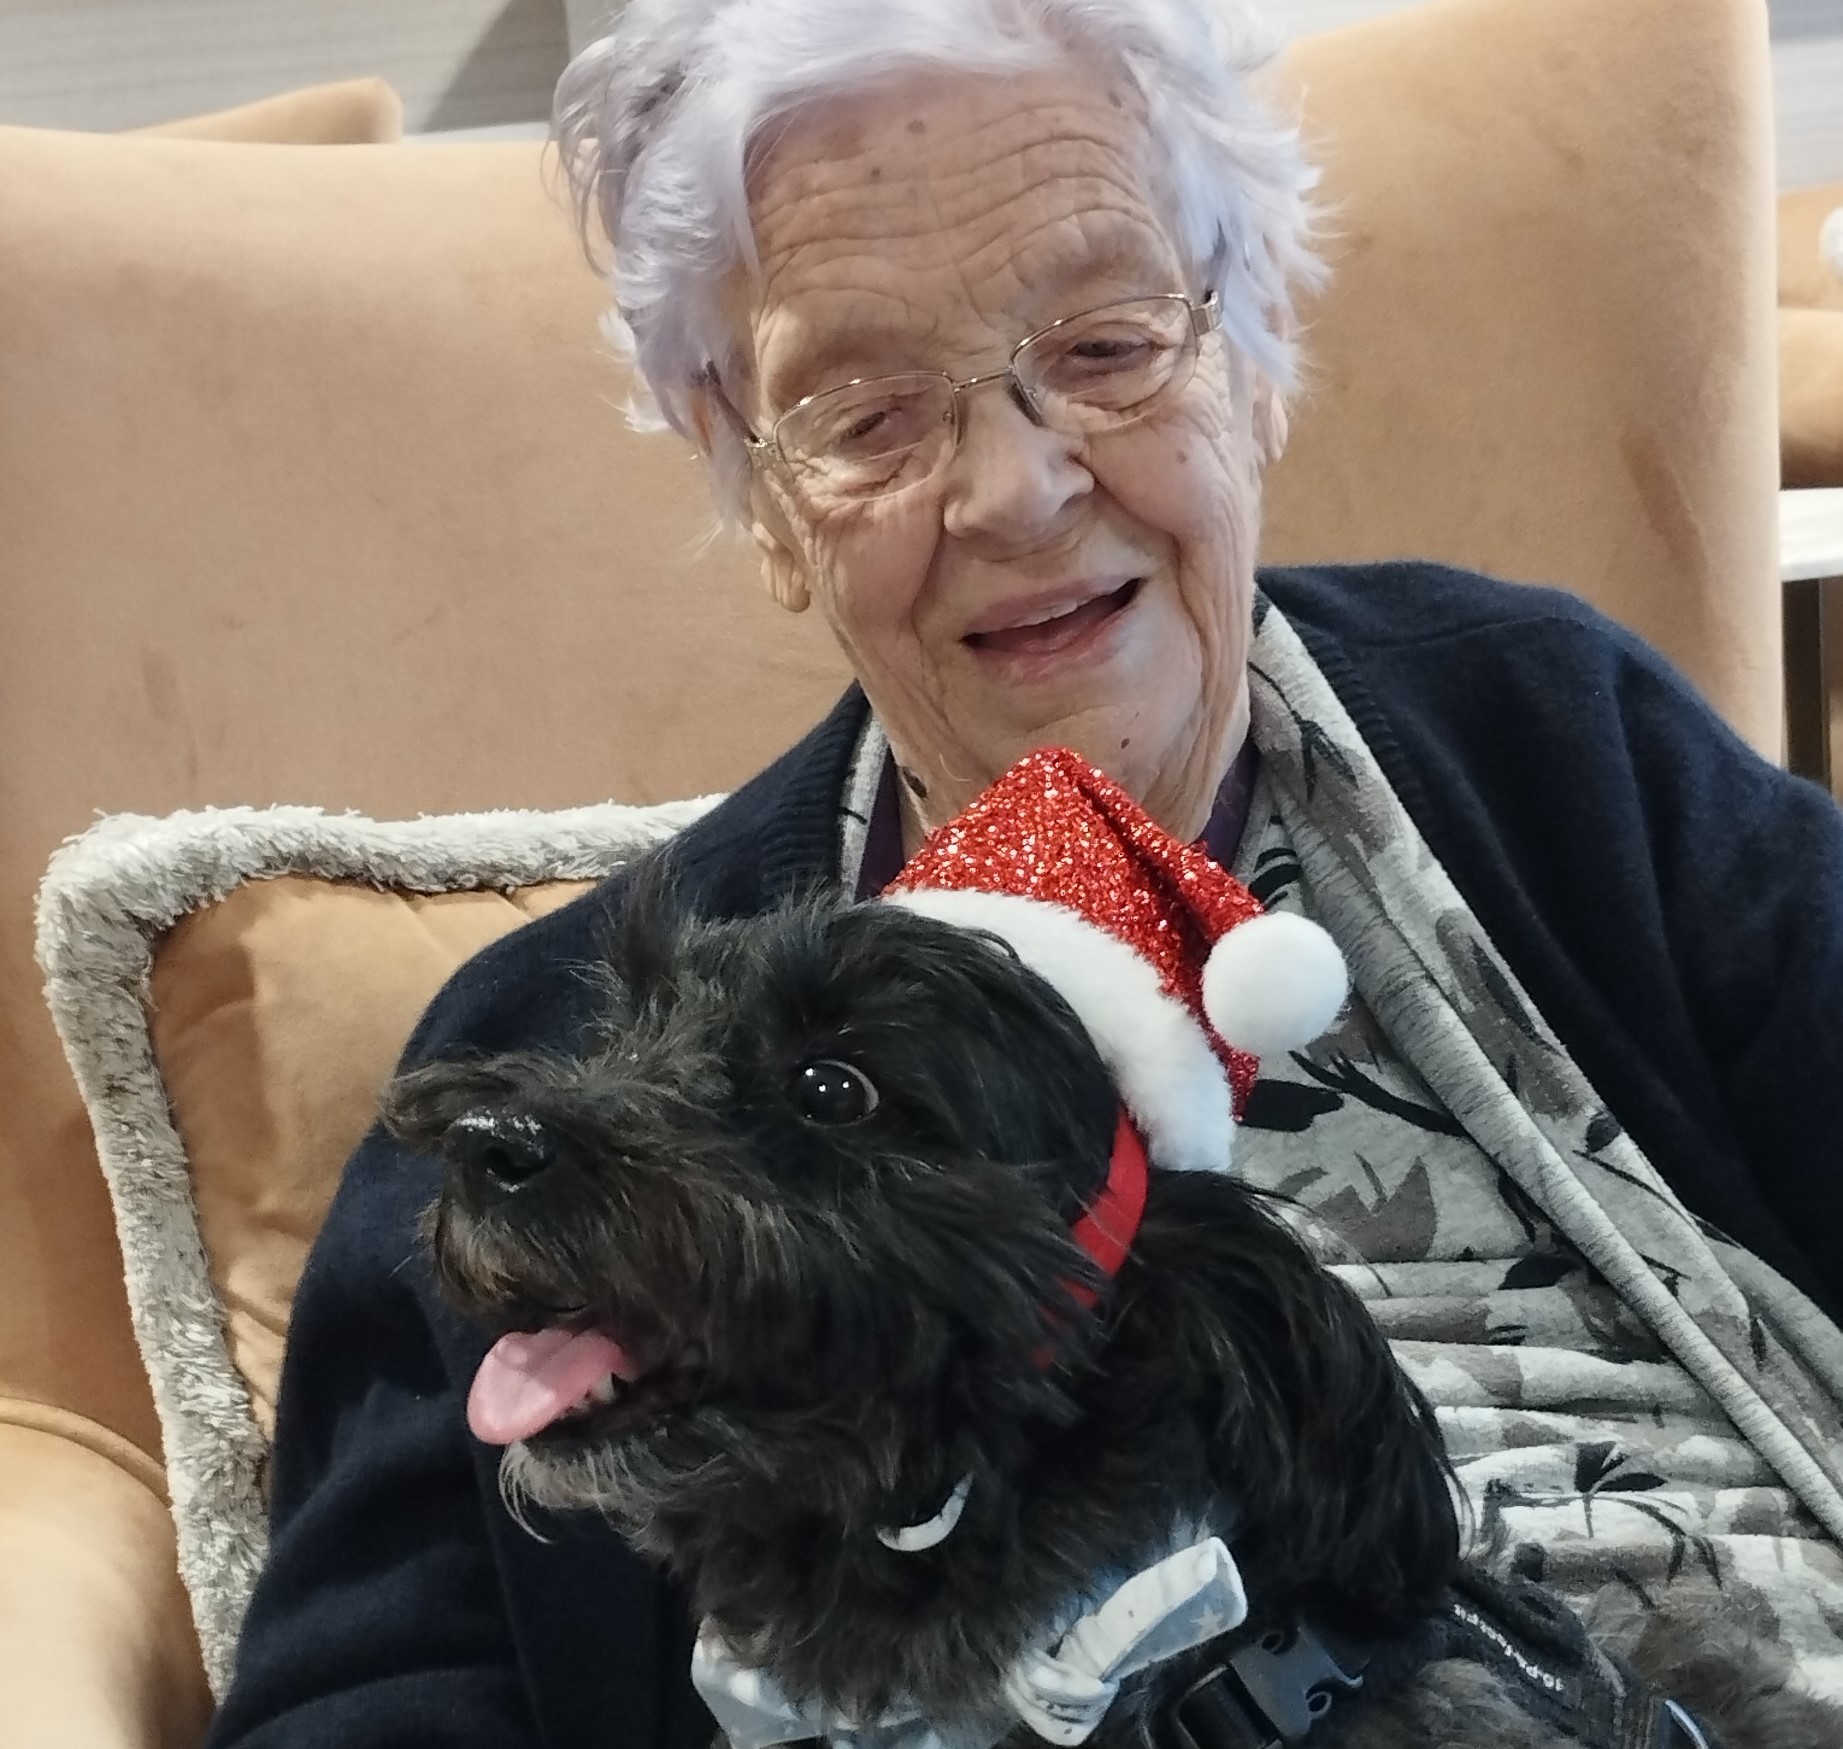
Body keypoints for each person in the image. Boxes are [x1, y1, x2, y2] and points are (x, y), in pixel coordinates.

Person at [205, 0, 1843, 1742]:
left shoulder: (1545, 737)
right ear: (761, 499)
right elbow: (373, 1701)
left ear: (1252, 358)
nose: (1018, 483)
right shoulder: (556, 1047)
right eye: (867, 412)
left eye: (1107, 343)